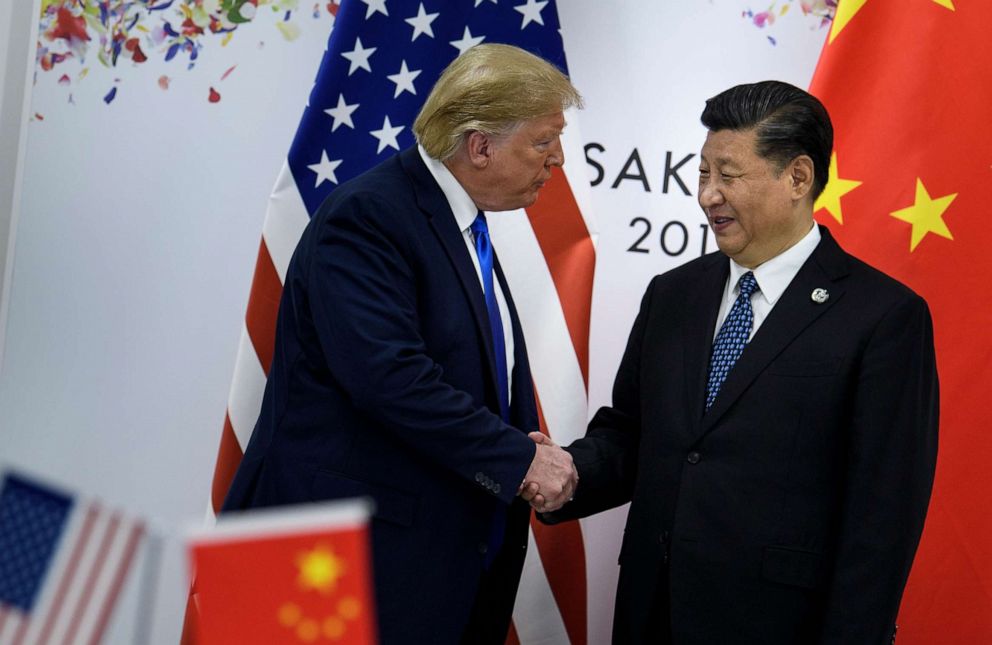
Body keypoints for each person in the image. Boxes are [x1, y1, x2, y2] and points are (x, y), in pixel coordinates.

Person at [535, 81, 939, 644]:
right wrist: (568, 474)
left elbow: (883, 515)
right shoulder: (672, 295)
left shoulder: (883, 317)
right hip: (652, 615)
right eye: (703, 173)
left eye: (729, 175)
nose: (708, 195)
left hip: (779, 627)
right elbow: (633, 435)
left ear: (798, 178)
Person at [222, 44, 580, 644]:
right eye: (544, 142)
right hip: (336, 569)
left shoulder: (459, 223)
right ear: (481, 145)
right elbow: (389, 378)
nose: (558, 160)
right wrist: (518, 459)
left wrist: (514, 443)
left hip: (420, 566)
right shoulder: (370, 217)